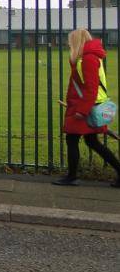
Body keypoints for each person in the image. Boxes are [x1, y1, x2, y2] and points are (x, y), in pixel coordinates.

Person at [53, 29, 120, 188]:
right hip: (89, 106)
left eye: (71, 41)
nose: (69, 44)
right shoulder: (90, 57)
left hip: (85, 107)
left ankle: (72, 176)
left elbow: (91, 89)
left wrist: (81, 111)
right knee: (92, 142)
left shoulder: (87, 59)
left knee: (73, 139)